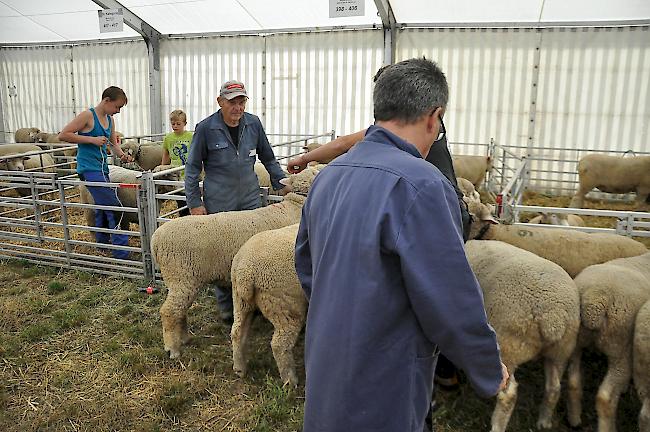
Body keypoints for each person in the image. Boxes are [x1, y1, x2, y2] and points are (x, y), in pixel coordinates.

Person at [295, 58, 508, 432]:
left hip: (327, 360)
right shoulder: (421, 184)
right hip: (384, 375)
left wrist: (344, 312)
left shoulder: (329, 177)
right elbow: (448, 296)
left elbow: (307, 265)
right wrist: (487, 367)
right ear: (433, 116)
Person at [184, 79, 289, 323]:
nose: (237, 107)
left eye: (241, 101)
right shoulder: (205, 128)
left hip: (251, 201)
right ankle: (228, 309)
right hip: (220, 202)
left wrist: (282, 184)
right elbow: (191, 167)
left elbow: (269, 158)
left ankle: (255, 303)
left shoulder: (253, 124)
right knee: (223, 255)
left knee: (257, 251)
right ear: (220, 102)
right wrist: (194, 203)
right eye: (232, 102)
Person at [58, 85, 134, 260]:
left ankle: (102, 244)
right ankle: (121, 252)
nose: (118, 111)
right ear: (107, 101)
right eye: (117, 107)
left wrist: (122, 155)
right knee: (114, 207)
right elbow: (64, 134)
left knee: (102, 206)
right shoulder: (88, 116)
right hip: (89, 169)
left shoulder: (110, 119)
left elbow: (112, 143)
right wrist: (91, 139)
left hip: (102, 168)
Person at [162, 109, 193, 216]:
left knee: (191, 199)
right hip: (176, 175)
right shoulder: (168, 138)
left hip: (189, 173)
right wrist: (163, 168)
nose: (175, 126)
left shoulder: (191, 137)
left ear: (185, 123)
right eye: (173, 124)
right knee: (181, 202)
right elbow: (166, 154)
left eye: (178, 124)